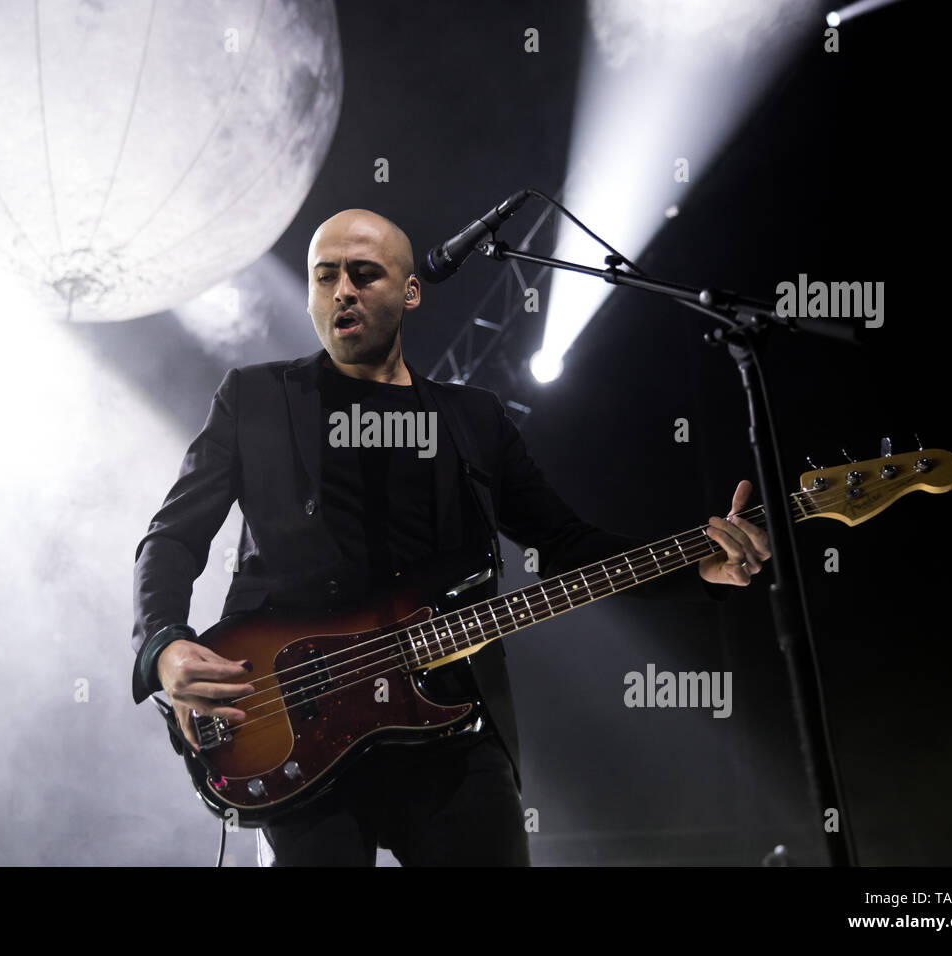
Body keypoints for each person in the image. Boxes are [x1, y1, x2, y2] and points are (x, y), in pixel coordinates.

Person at [130, 208, 772, 866]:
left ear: (411, 292)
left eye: (364, 273)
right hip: (293, 719)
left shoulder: (472, 419)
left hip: (449, 725)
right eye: (325, 277)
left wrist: (696, 567)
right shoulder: (254, 398)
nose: (342, 290)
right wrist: (164, 645)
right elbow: (171, 538)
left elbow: (567, 544)